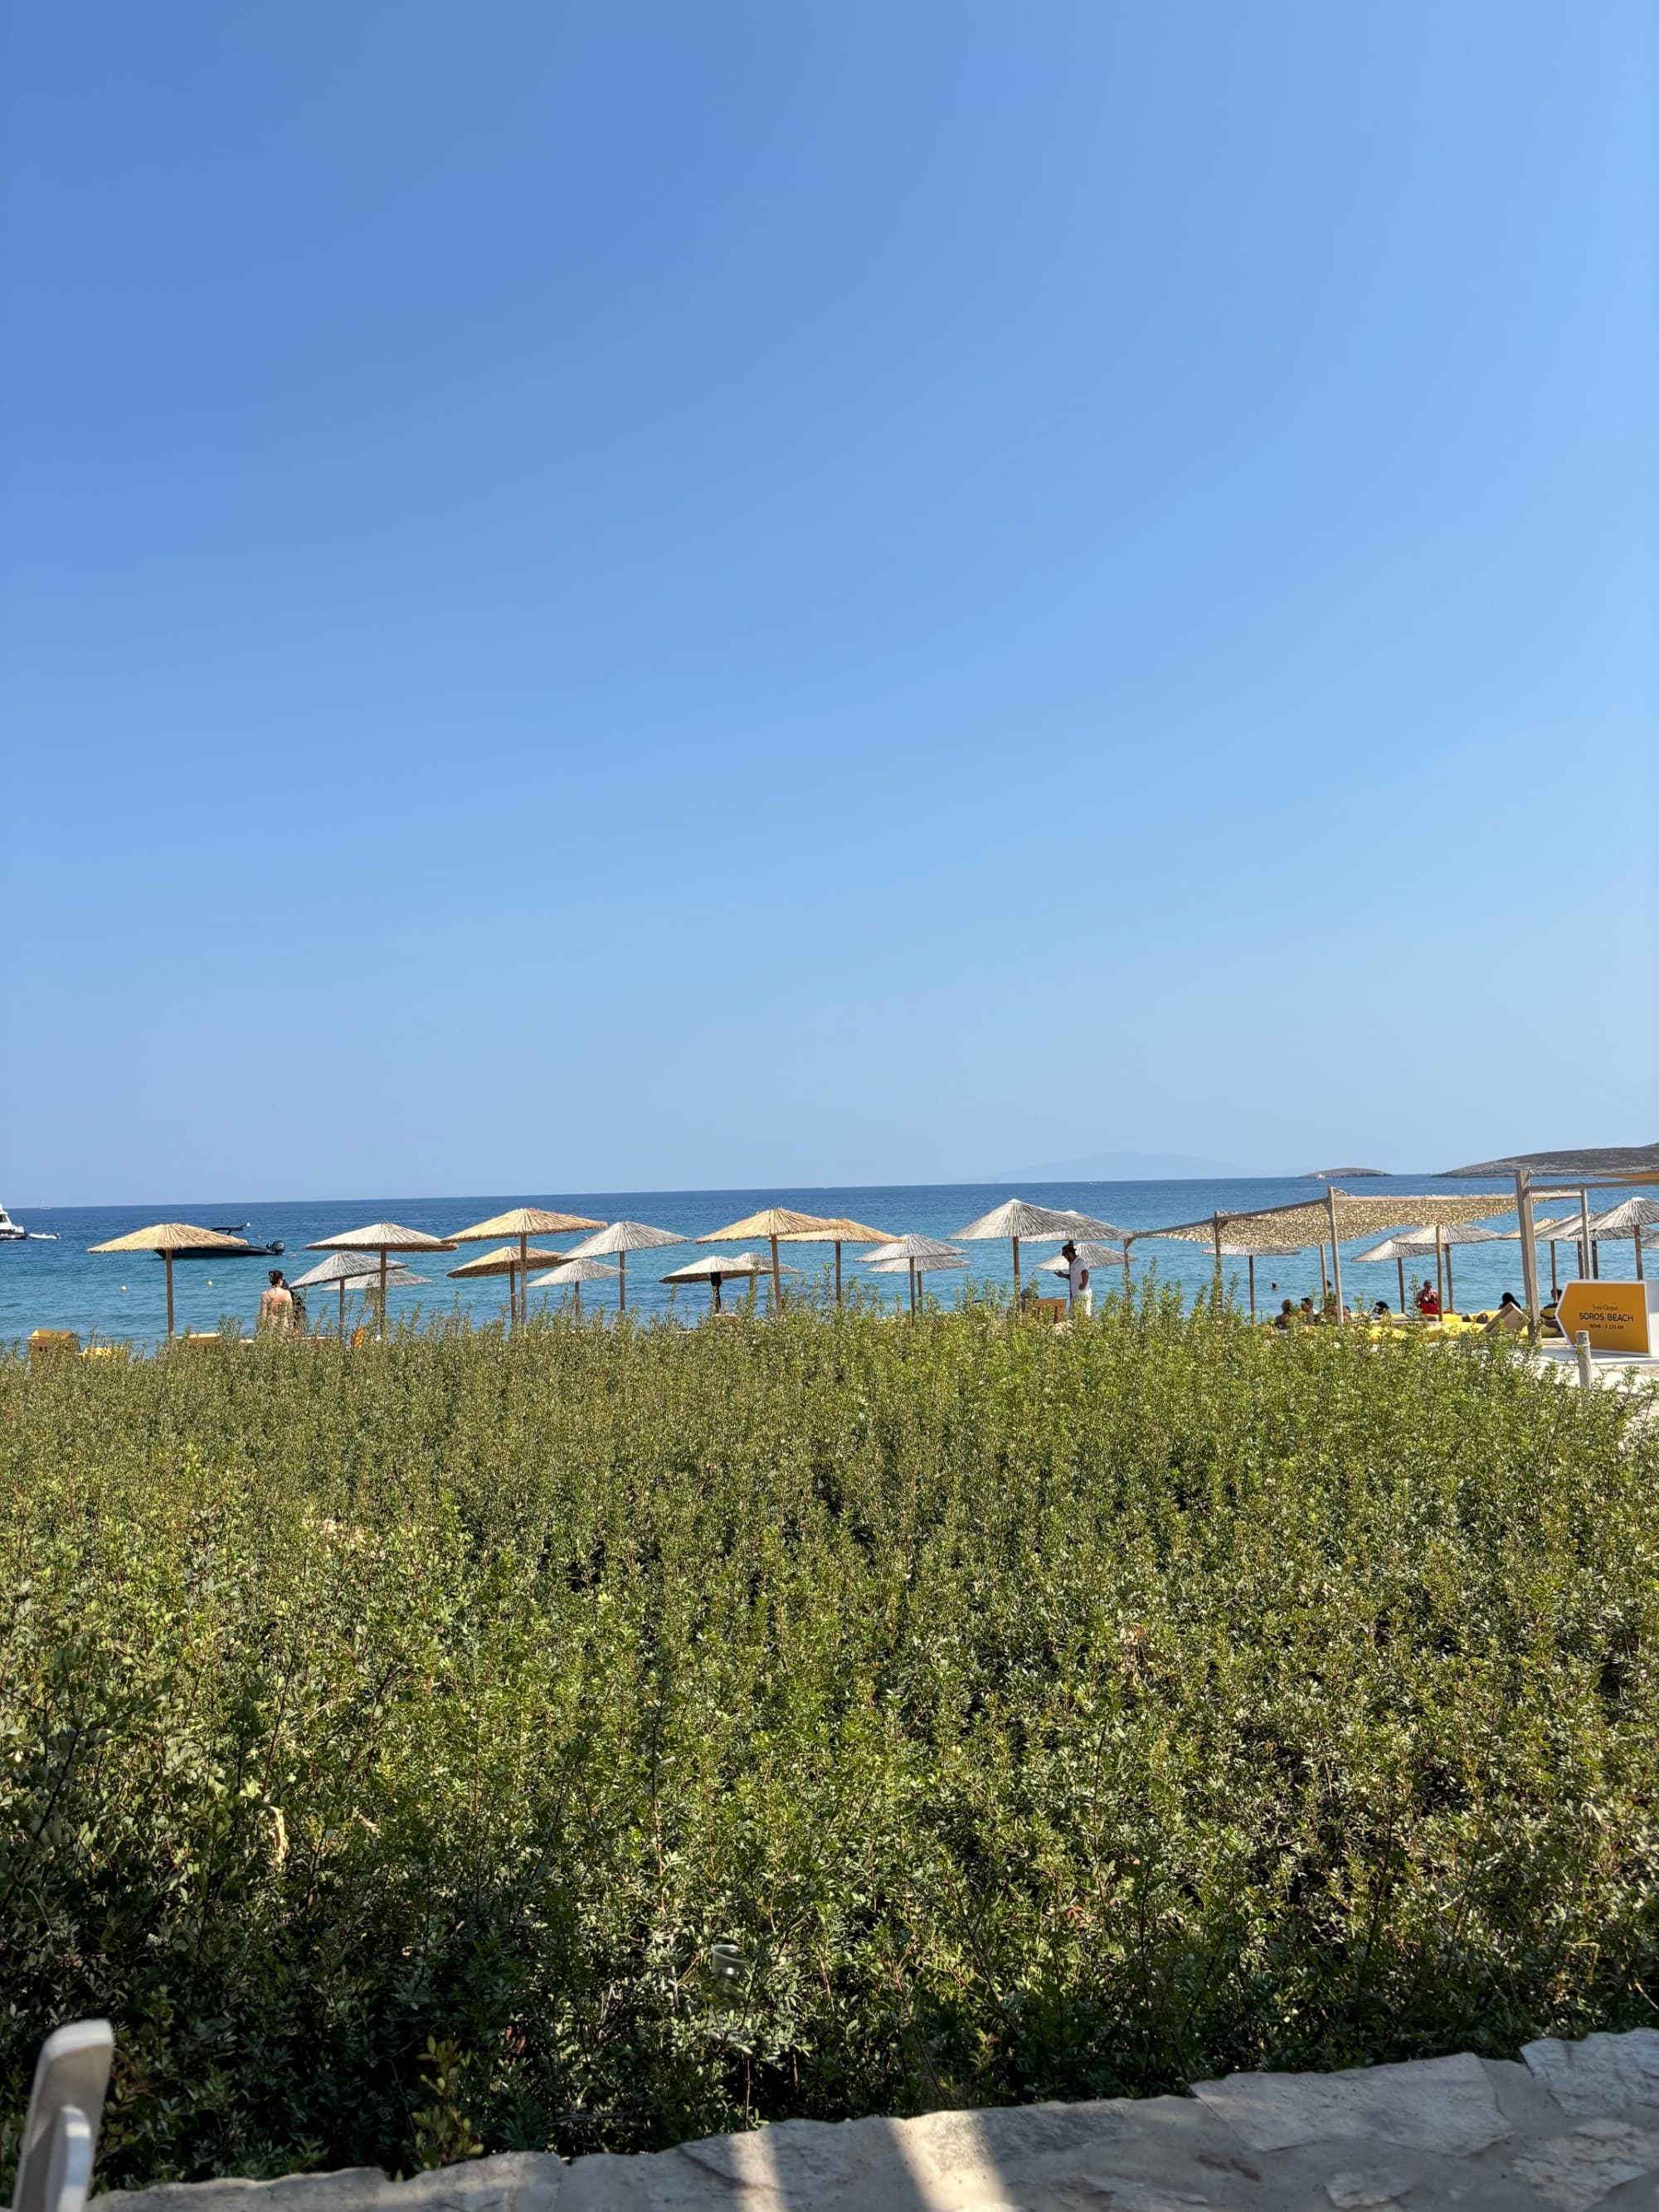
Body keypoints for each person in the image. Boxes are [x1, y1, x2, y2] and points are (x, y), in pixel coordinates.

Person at [258, 1267, 296, 1334]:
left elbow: (263, 1317)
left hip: (270, 1330)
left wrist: (259, 1332)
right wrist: (291, 1330)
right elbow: (290, 1315)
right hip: (284, 1330)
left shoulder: (264, 1295)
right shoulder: (287, 1294)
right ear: (279, 1280)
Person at [1059, 1240, 1092, 1318]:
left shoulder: (1080, 1262)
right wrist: (1063, 1275)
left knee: (1083, 1317)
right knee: (1073, 1317)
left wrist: (1084, 1284)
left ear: (1069, 1254)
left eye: (1065, 1255)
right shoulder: (1074, 1264)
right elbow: (1073, 1277)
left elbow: (1085, 1272)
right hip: (1077, 1295)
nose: (1065, 1257)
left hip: (1082, 1295)